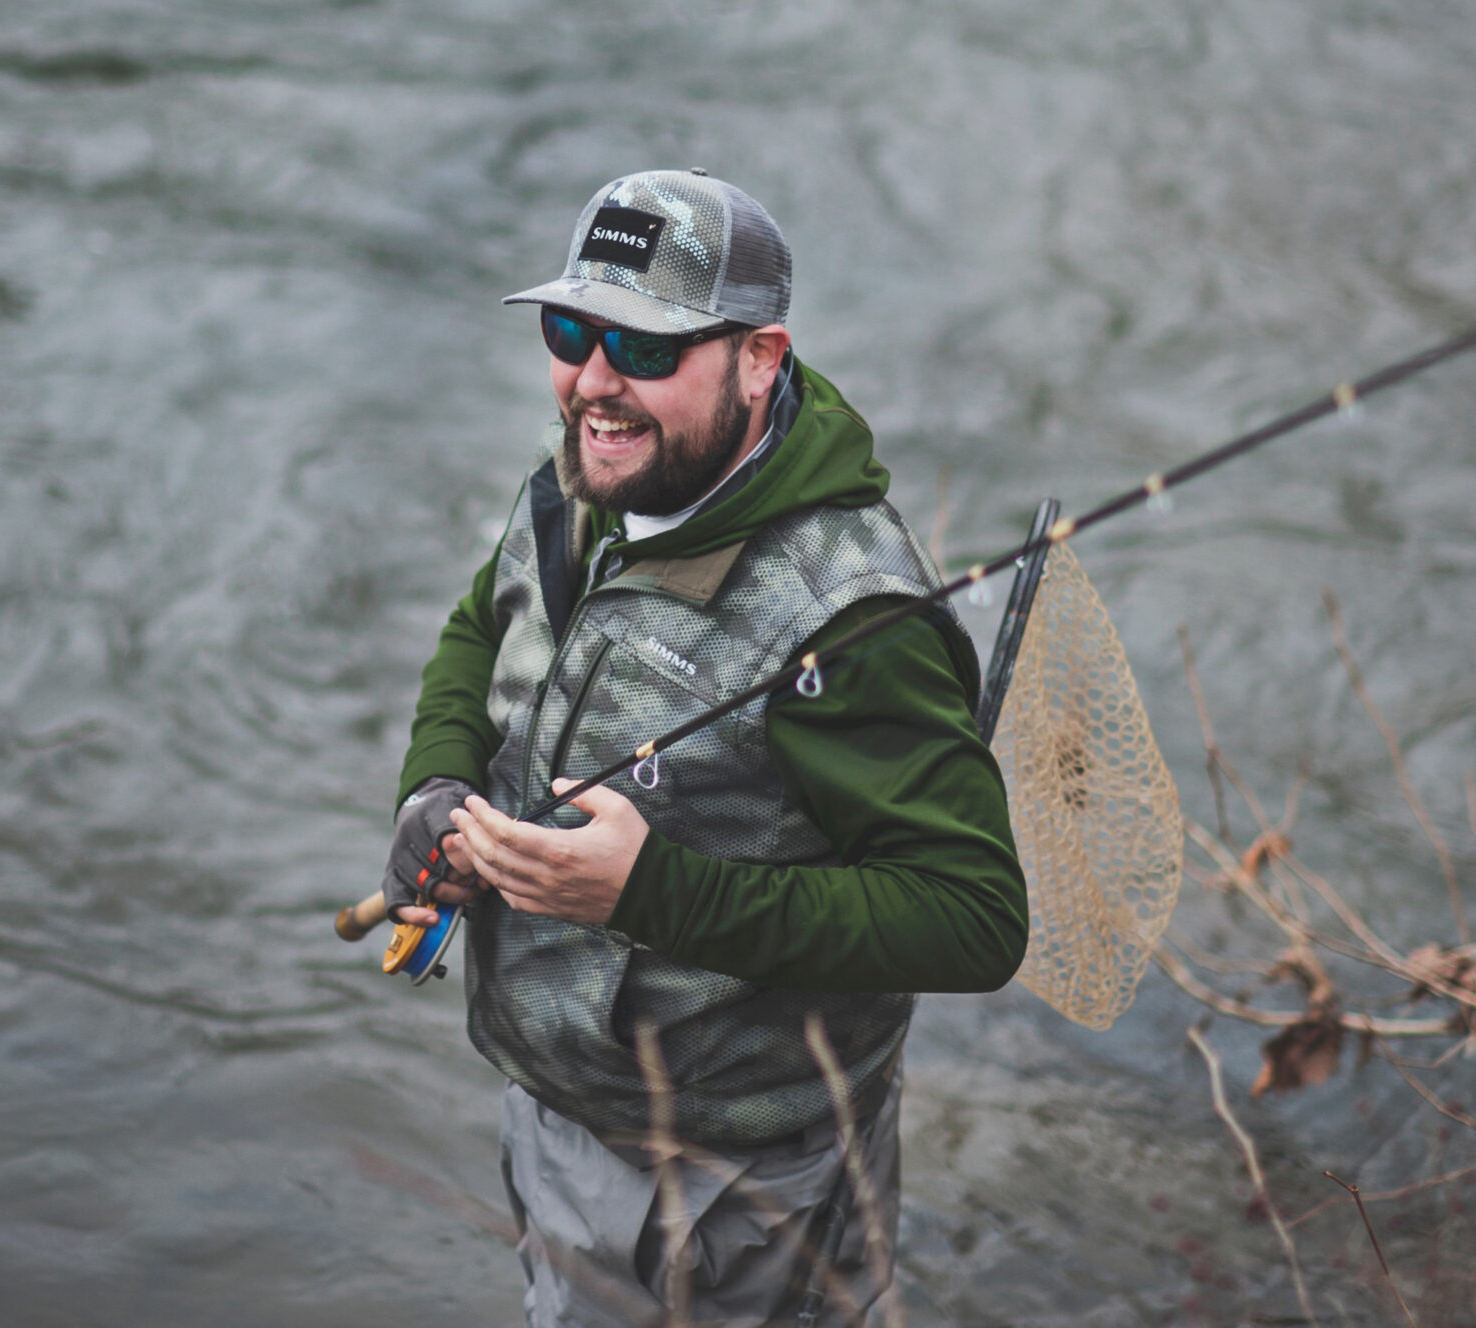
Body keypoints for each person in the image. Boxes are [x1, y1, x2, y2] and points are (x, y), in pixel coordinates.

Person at [376, 169, 1027, 1326]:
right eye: (570, 331)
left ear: (760, 358)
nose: (593, 381)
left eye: (645, 347)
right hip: (559, 1100)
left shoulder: (853, 619)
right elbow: (484, 626)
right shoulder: (593, 467)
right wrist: (436, 781)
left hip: (736, 1182)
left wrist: (651, 891)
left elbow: (973, 919)